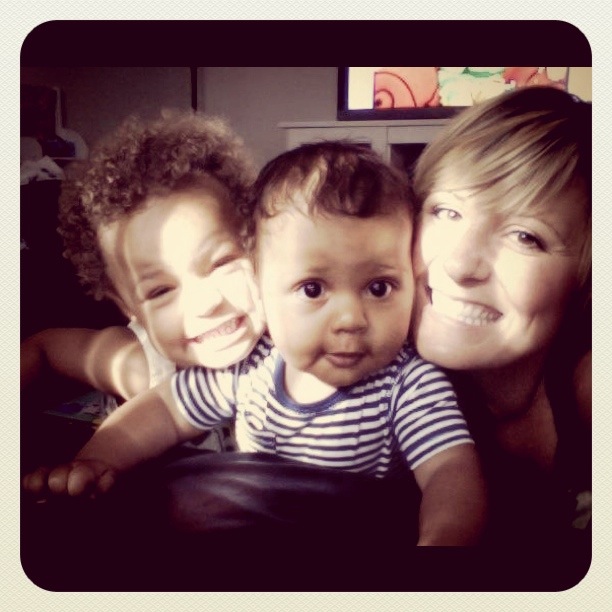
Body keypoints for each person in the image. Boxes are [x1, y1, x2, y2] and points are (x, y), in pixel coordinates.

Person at [23, 141, 488, 547]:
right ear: (264, 280)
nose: (350, 318)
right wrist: (94, 463)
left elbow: (451, 471)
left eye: (380, 287)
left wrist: (442, 538)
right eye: (313, 289)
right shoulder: (251, 367)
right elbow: (161, 410)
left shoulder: (409, 384)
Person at [410, 86, 592, 553]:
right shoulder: (366, 368)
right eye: (446, 210)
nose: (459, 264)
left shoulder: (587, 385)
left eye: (526, 236)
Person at [20, 110, 266, 453]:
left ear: (259, 246)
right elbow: (45, 347)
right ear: (128, 307)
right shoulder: (140, 366)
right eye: (161, 290)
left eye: (221, 263)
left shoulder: (301, 338)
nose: (206, 303)